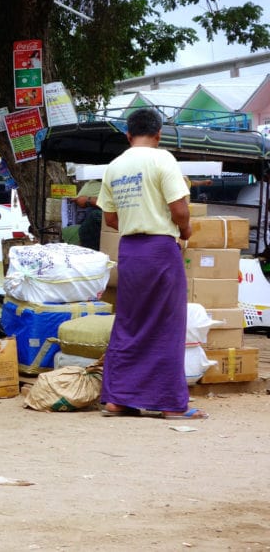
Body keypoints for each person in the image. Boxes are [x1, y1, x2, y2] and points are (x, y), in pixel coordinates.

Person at [96, 108, 207, 420]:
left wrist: (136, 221)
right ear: (158, 134)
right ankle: (171, 403)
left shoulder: (114, 167)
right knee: (168, 325)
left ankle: (118, 399)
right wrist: (185, 232)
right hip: (160, 250)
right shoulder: (163, 160)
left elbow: (110, 218)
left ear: (128, 136)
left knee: (129, 323)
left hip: (129, 251)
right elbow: (180, 209)